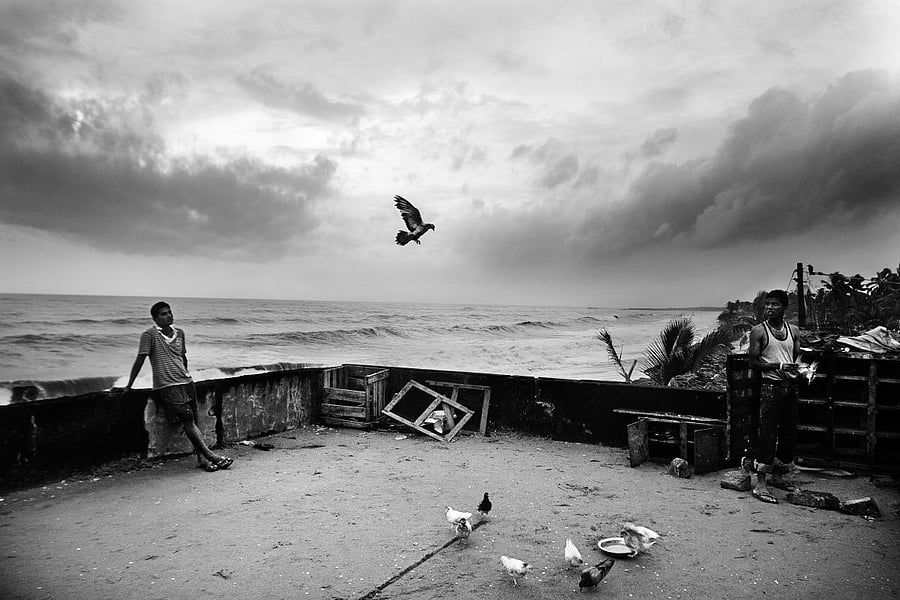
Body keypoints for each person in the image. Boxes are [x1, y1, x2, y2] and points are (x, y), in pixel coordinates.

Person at [122, 301, 233, 472]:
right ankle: (212, 456)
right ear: (155, 318)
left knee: (194, 421)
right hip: (167, 385)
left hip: (186, 382)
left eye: (169, 312)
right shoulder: (149, 335)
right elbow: (140, 359)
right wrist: (129, 384)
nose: (168, 316)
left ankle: (202, 459)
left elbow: (182, 358)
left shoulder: (180, 333)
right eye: (163, 314)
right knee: (187, 418)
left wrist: (187, 374)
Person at [747, 289, 800, 503]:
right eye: (767, 304)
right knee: (767, 434)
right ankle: (760, 484)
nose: (769, 308)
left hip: (790, 387)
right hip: (770, 386)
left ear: (784, 307)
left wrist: (796, 369)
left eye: (774, 304)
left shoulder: (794, 330)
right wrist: (777, 365)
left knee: (788, 433)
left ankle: (777, 476)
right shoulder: (759, 331)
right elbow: (753, 361)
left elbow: (797, 356)